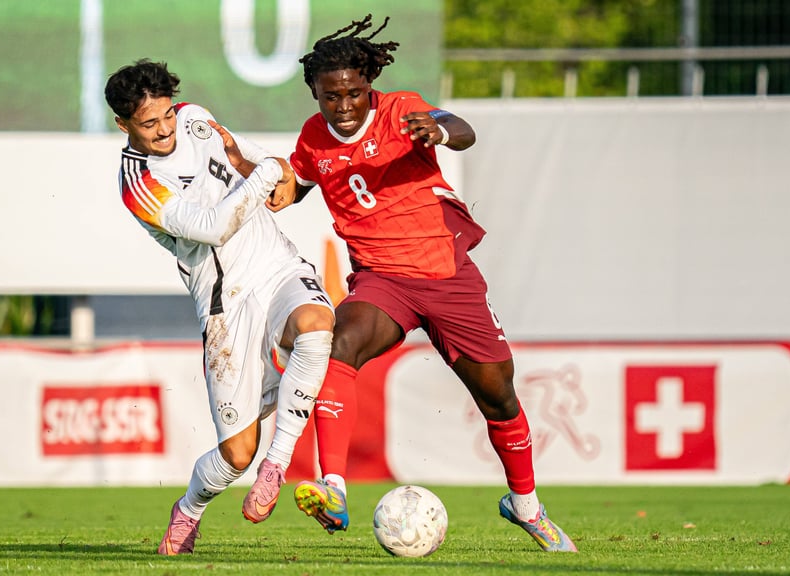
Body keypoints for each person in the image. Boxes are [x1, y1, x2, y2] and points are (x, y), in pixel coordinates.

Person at [278, 15, 577, 552]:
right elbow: (292, 186)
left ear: (369, 87)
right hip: (381, 281)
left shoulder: (401, 109)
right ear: (315, 93)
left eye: (353, 93)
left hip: (446, 275)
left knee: (499, 398)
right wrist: (246, 176)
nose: (343, 106)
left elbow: (461, 129)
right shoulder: (313, 137)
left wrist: (437, 131)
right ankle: (334, 488)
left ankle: (526, 506)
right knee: (336, 344)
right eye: (330, 96)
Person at [104, 59, 335, 555]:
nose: (165, 129)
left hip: (277, 266)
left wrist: (273, 172)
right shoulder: (137, 184)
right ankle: (189, 509)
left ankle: (278, 464)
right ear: (122, 125)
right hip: (223, 301)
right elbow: (212, 227)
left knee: (317, 326)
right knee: (235, 455)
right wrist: (264, 179)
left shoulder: (193, 117)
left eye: (166, 115)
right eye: (149, 124)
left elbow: (250, 156)